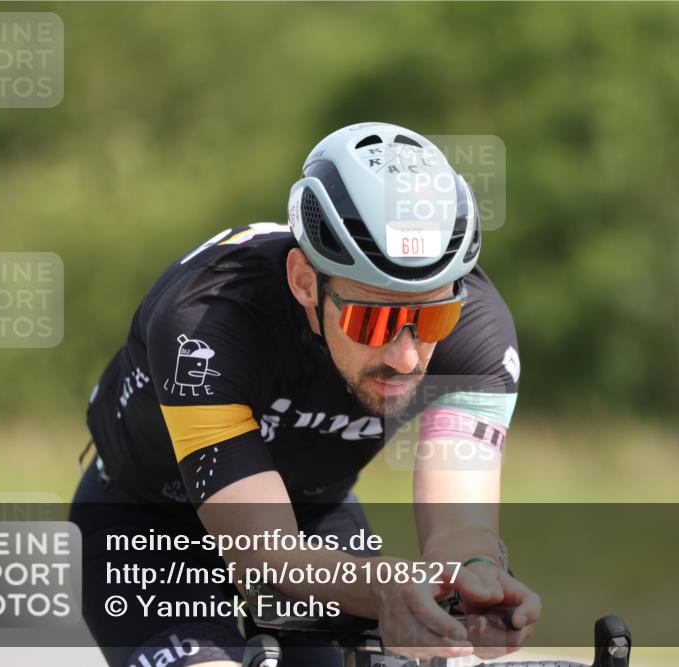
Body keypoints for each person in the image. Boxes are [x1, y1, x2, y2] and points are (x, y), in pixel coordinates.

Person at [70, 122, 539, 667]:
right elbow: (265, 555)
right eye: (372, 321)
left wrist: (474, 577)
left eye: (433, 318)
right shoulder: (206, 322)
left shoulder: (480, 333)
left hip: (314, 517)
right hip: (149, 523)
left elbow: (460, 531)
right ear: (304, 282)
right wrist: (386, 587)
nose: (406, 358)